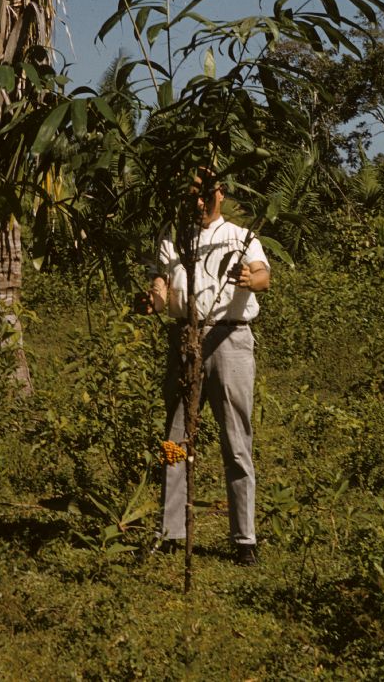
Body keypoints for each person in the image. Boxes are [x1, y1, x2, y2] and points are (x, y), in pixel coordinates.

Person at [145, 174, 270, 566]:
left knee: (236, 438)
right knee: (175, 437)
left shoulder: (240, 236)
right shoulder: (173, 239)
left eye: (204, 195)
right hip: (186, 338)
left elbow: (263, 273)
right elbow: (162, 287)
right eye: (191, 196)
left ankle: (244, 538)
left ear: (220, 193)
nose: (198, 203)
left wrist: (252, 280)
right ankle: (171, 530)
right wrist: (155, 299)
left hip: (231, 339)